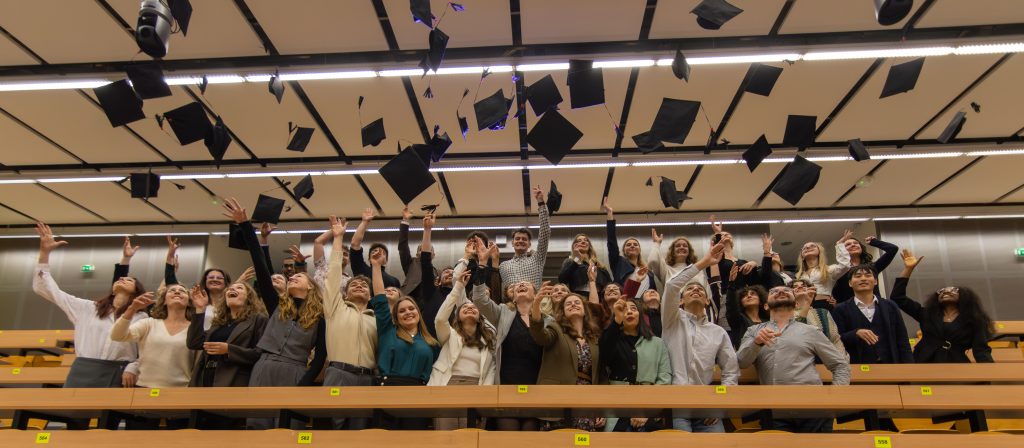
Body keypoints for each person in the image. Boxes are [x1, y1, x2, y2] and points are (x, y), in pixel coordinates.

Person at [223, 198, 327, 430]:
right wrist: (246, 225)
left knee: (290, 429)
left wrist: (304, 384)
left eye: (298, 276)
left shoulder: (320, 317)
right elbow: (261, 266)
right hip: (265, 366)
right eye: (292, 277)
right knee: (257, 426)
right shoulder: (276, 305)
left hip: (296, 371)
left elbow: (320, 356)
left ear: (311, 286)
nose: (293, 278)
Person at [31, 225, 147, 429]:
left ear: (136, 292)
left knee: (107, 425)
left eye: (129, 279)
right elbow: (46, 289)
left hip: (118, 371)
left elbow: (145, 351)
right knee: (74, 423)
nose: (122, 278)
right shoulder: (87, 308)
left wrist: (133, 367)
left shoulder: (142, 317)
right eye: (120, 278)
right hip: (84, 369)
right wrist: (44, 253)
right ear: (112, 288)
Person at [737, 286, 851, 433]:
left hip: (814, 407)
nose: (780, 292)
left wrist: (834, 397)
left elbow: (840, 365)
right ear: (765, 306)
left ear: (796, 304)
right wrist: (756, 343)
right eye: (773, 291)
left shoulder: (811, 330)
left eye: (786, 291)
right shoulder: (753, 331)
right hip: (774, 410)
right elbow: (741, 362)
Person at [661, 240, 739, 433]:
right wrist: (704, 263)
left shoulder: (718, 332)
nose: (695, 289)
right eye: (689, 289)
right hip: (676, 402)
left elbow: (731, 371)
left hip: (707, 404)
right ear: (680, 301)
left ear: (707, 301)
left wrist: (721, 404)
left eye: (700, 290)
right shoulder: (671, 319)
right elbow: (671, 285)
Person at [370, 245, 440, 430]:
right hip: (388, 390)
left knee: (413, 440)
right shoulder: (388, 330)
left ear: (418, 312)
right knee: (385, 440)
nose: (407, 312)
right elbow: (380, 298)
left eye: (411, 308)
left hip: (419, 393)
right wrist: (376, 266)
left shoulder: (431, 342)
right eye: (402, 311)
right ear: (396, 316)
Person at [110, 283, 194, 430]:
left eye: (182, 291)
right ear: (164, 301)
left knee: (179, 440)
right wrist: (132, 308)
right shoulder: (149, 323)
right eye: (172, 291)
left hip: (181, 392)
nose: (177, 292)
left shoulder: (195, 328)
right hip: (145, 389)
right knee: (138, 439)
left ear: (189, 302)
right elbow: (117, 335)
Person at [322, 215, 379, 430]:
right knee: (332, 434)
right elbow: (334, 273)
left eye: (364, 286)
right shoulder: (335, 308)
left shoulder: (376, 319)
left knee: (360, 435)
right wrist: (338, 238)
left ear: (370, 295)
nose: (359, 286)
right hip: (338, 374)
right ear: (345, 293)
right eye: (353, 285)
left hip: (366, 378)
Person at [186, 279, 268, 428]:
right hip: (206, 378)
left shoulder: (258, 320)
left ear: (249, 297)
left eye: (239, 288)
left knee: (225, 429)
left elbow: (260, 354)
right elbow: (194, 342)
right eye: (230, 288)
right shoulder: (219, 322)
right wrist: (200, 309)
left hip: (233, 380)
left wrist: (229, 350)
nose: (232, 289)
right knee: (200, 429)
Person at [891, 249, 994, 363]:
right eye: (942, 291)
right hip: (923, 361)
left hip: (956, 364)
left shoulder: (976, 320)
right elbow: (897, 297)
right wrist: (908, 269)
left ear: (965, 297)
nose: (946, 292)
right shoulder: (926, 314)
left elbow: (981, 350)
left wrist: (990, 372)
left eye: (953, 290)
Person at [472, 278, 546, 431]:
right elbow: (480, 300)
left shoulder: (547, 320)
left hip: (535, 390)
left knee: (530, 439)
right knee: (508, 437)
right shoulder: (503, 312)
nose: (521, 284)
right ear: (513, 297)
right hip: (506, 387)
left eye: (526, 284)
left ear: (536, 295)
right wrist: (481, 270)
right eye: (517, 285)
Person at [430, 270, 497, 430]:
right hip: (447, 385)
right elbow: (440, 319)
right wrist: (458, 287)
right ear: (457, 316)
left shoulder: (488, 339)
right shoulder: (449, 334)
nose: (469, 308)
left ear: (480, 318)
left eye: (474, 308)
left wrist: (485, 400)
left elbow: (490, 372)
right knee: (445, 437)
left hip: (476, 388)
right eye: (464, 307)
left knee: (472, 437)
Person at [530, 289, 602, 431]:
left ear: (584, 310)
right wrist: (536, 303)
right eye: (568, 304)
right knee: (557, 441)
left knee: (582, 440)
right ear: (562, 311)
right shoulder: (556, 329)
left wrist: (601, 408)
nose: (573, 304)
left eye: (577, 302)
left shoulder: (594, 338)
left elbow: (601, 374)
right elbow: (540, 336)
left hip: (587, 401)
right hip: (557, 400)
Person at [599, 298, 671, 432]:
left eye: (633, 309)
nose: (629, 312)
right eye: (624, 310)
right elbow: (604, 356)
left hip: (648, 408)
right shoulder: (612, 340)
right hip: (617, 406)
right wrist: (616, 321)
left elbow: (664, 379)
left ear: (640, 315)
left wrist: (646, 411)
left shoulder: (657, 343)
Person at [832, 264, 914, 365]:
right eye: (858, 276)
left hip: (890, 365)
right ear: (850, 283)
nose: (863, 279)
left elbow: (902, 339)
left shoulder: (890, 306)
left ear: (875, 281)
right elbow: (835, 339)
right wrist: (855, 333)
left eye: (868, 275)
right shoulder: (840, 309)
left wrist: (909, 367)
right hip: (856, 366)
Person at [499, 186, 551, 290]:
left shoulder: (537, 259)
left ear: (529, 244)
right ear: (512, 243)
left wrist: (541, 203)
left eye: (524, 239)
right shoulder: (503, 266)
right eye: (517, 238)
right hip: (512, 301)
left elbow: (545, 232)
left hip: (534, 300)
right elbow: (503, 291)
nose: (520, 241)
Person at [602, 198, 655, 297]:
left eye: (635, 244)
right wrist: (610, 214)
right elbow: (611, 242)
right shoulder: (618, 263)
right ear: (624, 250)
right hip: (625, 302)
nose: (632, 246)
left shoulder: (648, 273)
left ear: (639, 250)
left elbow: (653, 291)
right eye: (628, 245)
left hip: (644, 304)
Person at [794, 230, 854, 308]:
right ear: (802, 255)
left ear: (819, 251)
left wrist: (839, 244)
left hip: (823, 305)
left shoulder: (828, 270)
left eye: (812, 246)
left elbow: (845, 266)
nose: (808, 248)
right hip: (803, 306)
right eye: (804, 248)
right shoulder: (799, 275)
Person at [830, 235, 900, 304]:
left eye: (856, 243)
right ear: (843, 250)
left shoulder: (872, 267)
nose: (853, 245)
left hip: (875, 307)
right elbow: (834, 291)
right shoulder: (839, 270)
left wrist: (874, 242)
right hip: (849, 309)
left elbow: (892, 249)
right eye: (848, 244)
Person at [790, 279, 846, 356]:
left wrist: (842, 360)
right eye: (795, 286)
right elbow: (793, 335)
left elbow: (835, 340)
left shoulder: (823, 312)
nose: (800, 287)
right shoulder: (785, 314)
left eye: (804, 286)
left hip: (826, 359)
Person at [350, 208, 401, 288]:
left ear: (386, 260)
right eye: (374, 251)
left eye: (382, 252)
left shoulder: (394, 281)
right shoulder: (362, 270)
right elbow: (354, 244)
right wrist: (364, 222)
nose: (378, 253)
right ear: (369, 259)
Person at [559, 234, 613, 298]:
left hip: (599, 297)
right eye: (579, 241)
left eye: (586, 240)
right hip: (580, 297)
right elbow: (562, 279)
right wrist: (577, 259)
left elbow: (609, 283)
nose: (583, 242)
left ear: (589, 245)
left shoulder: (599, 264)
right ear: (574, 246)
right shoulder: (570, 261)